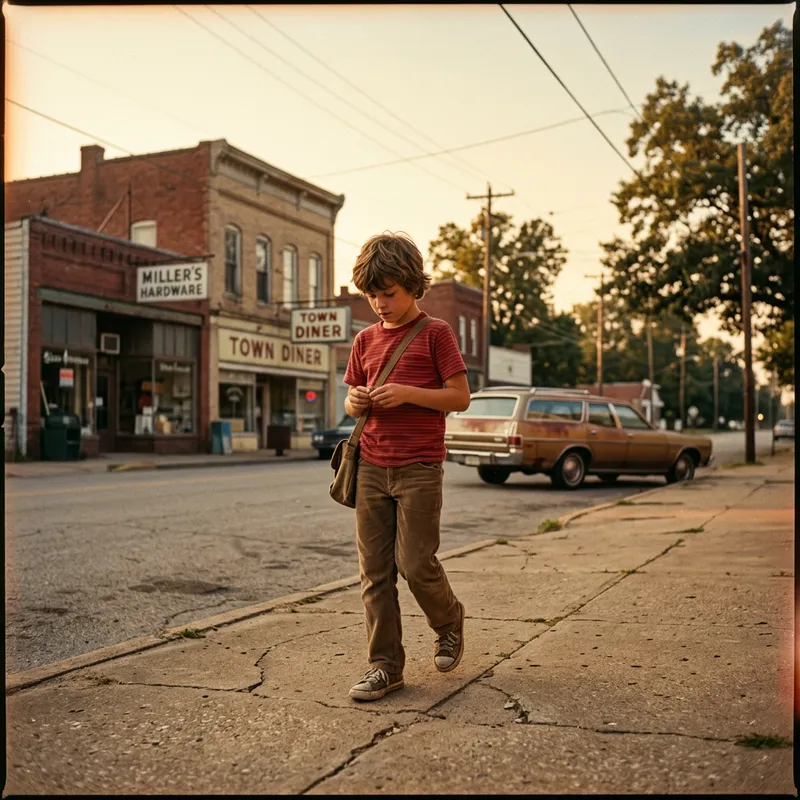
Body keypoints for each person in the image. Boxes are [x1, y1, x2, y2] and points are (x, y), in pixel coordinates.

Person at [343, 232, 472, 701]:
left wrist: (409, 394)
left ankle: (449, 620)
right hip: (372, 467)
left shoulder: (436, 333)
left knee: (415, 564)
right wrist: (355, 401)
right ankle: (385, 667)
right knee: (374, 573)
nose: (379, 303)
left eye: (389, 293)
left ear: (414, 286)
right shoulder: (363, 341)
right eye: (372, 294)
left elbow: (460, 396)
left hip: (418, 466)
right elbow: (352, 398)